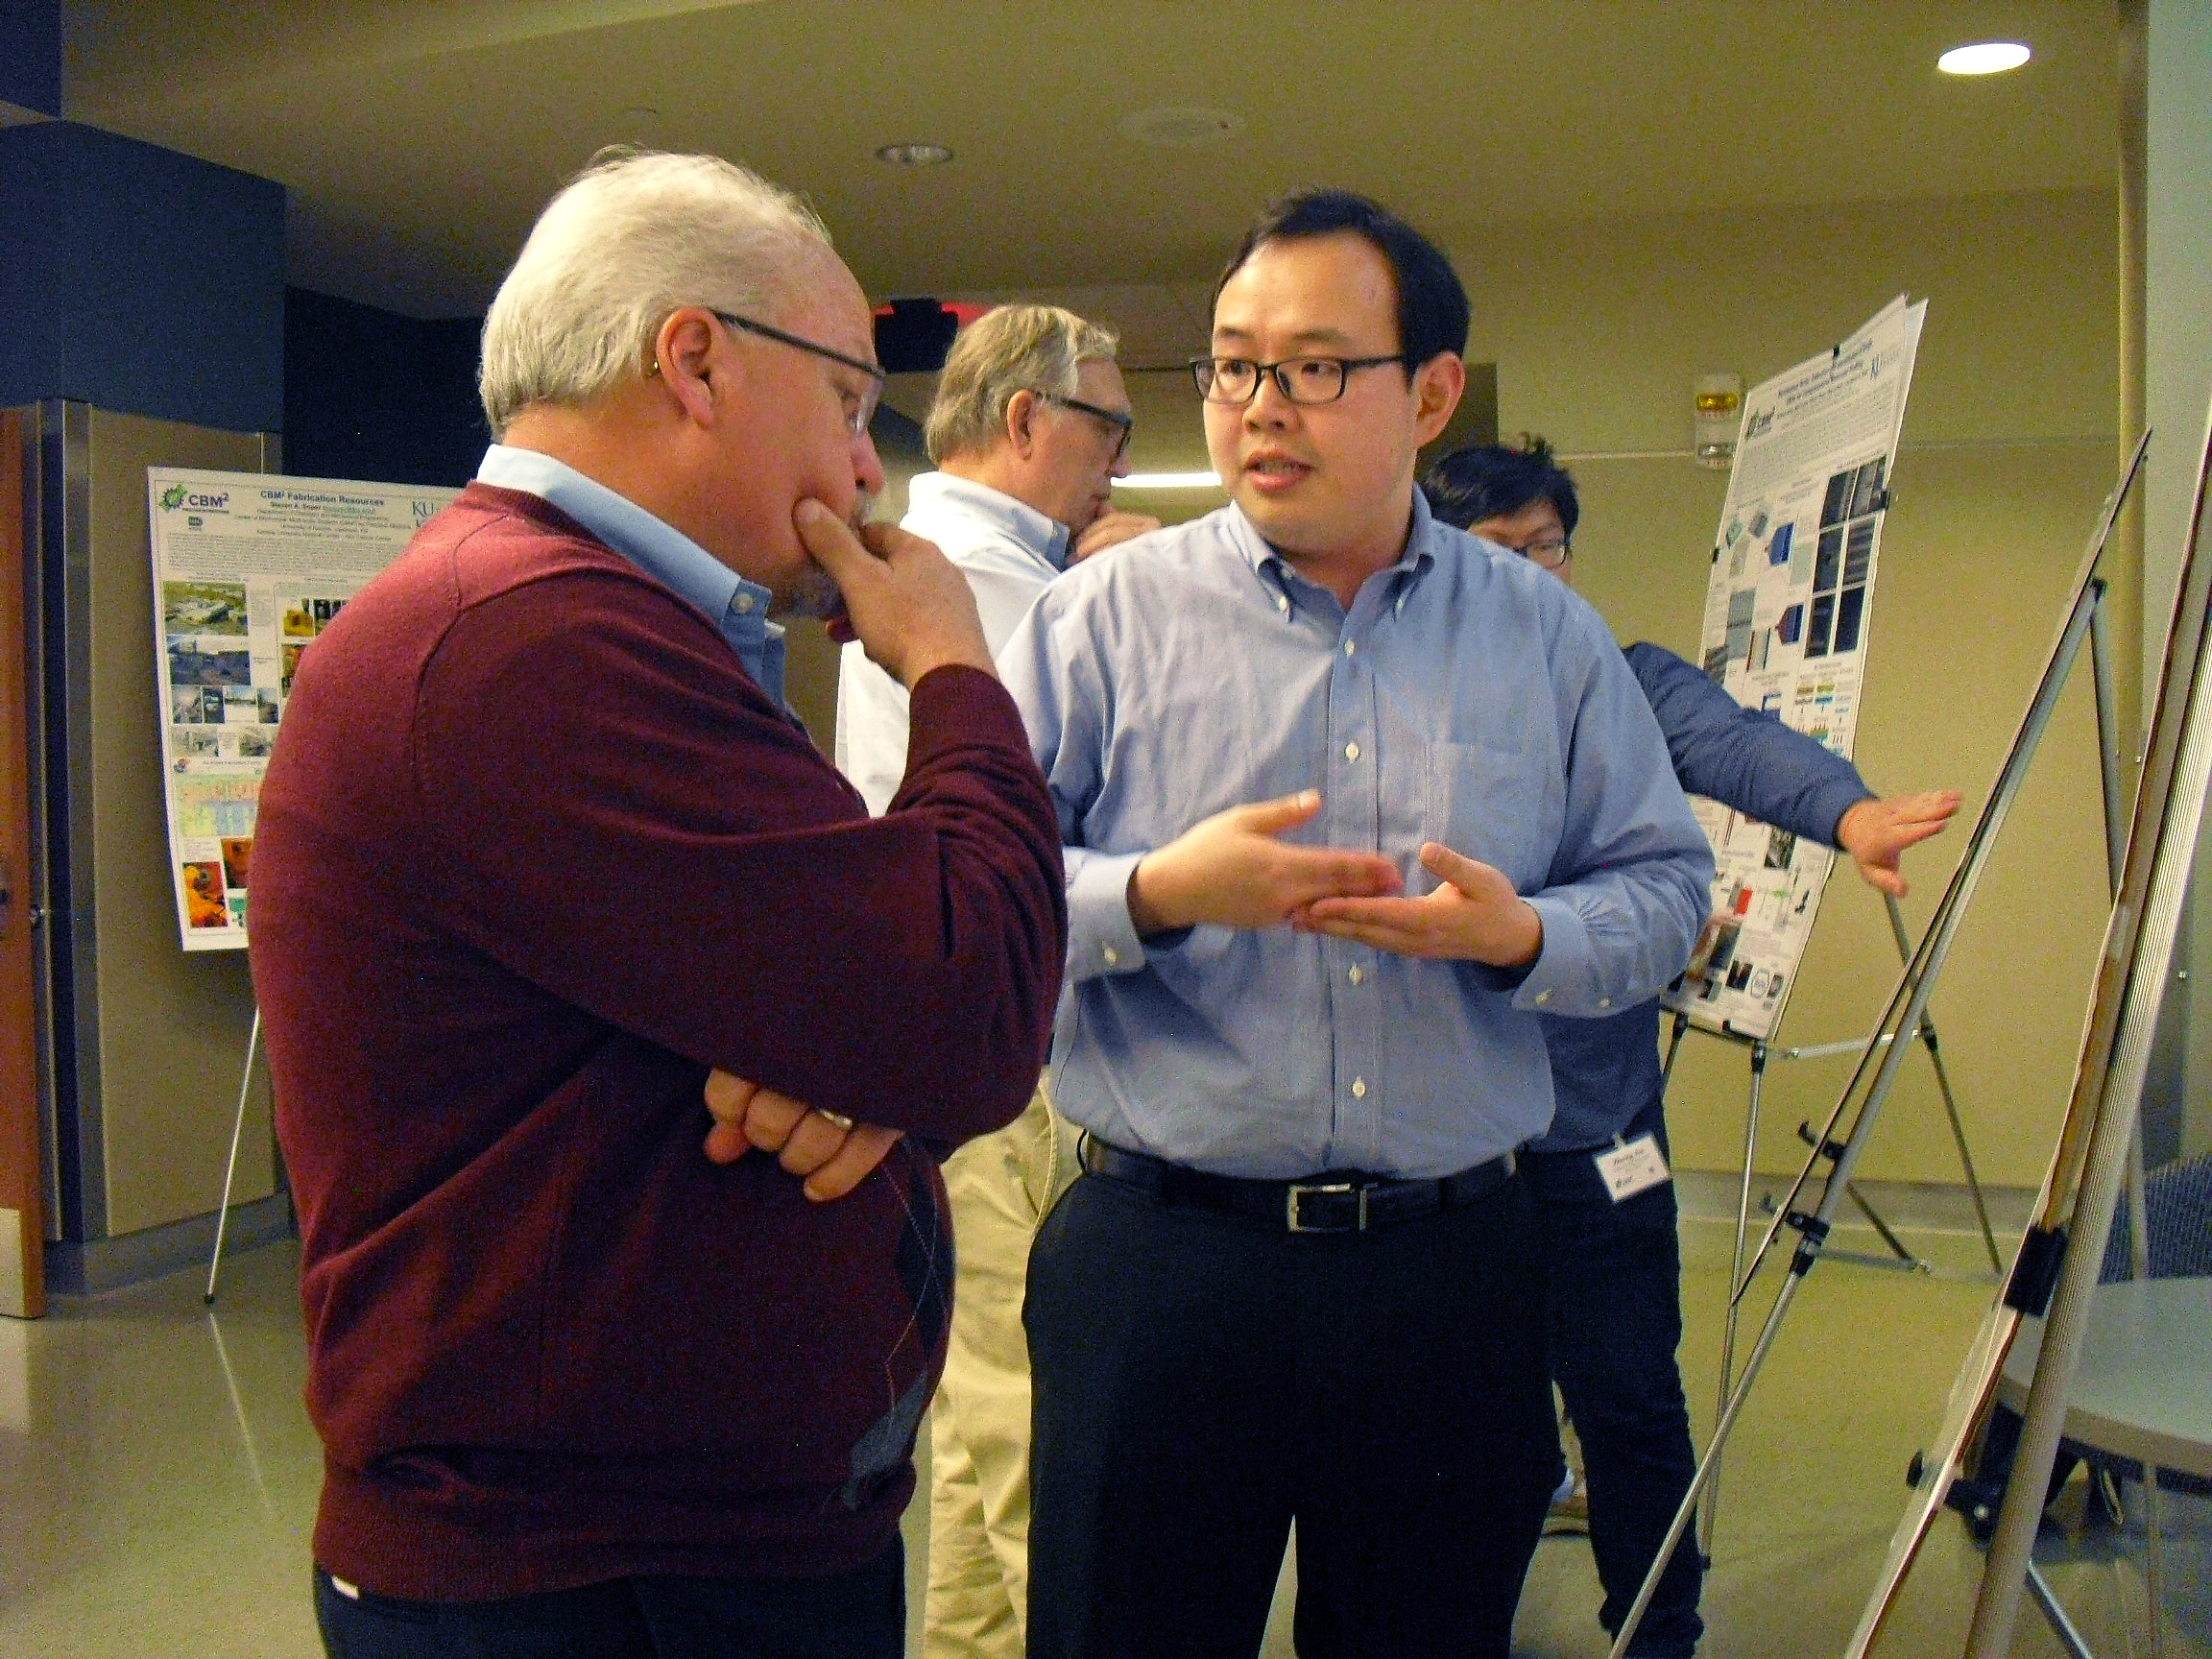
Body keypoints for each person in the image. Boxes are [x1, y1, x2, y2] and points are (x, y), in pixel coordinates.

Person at [249, 150, 1067, 1659]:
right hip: (594, 1582)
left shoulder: (572, 618)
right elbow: (967, 1004)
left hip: (648, 1550)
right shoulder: (533, 639)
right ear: (694, 360)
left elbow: (887, 1007)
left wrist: (868, 1069)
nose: (873, 465)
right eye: (842, 398)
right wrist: (952, 665)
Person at [996, 189, 1716, 1659]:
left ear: (1432, 392)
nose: (1262, 408)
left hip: (1451, 1274)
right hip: (1164, 1261)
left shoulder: (1546, 639)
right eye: (1233, 365)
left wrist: (1526, 941)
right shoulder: (1098, 623)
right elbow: (969, 893)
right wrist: (1154, 894)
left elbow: (1666, 892)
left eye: (1317, 367)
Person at [1424, 439, 1960, 1658]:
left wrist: (1849, 811)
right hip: (1453, 1151)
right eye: (1504, 553)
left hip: (1603, 1134)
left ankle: (1659, 1627)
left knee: (1629, 1399)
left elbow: (1734, 744)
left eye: (1551, 547)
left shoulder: (1622, 679)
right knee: (1474, 1423)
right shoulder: (1407, 700)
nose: (1539, 576)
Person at [832, 302, 1157, 1659]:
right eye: (1113, 430)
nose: (1121, 465)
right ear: (1026, 419)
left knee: (975, 1438)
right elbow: (1105, 798)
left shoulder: (944, 563)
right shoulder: (1004, 588)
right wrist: (1151, 586)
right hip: (1010, 1058)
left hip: (946, 1042)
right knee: (1042, 1439)